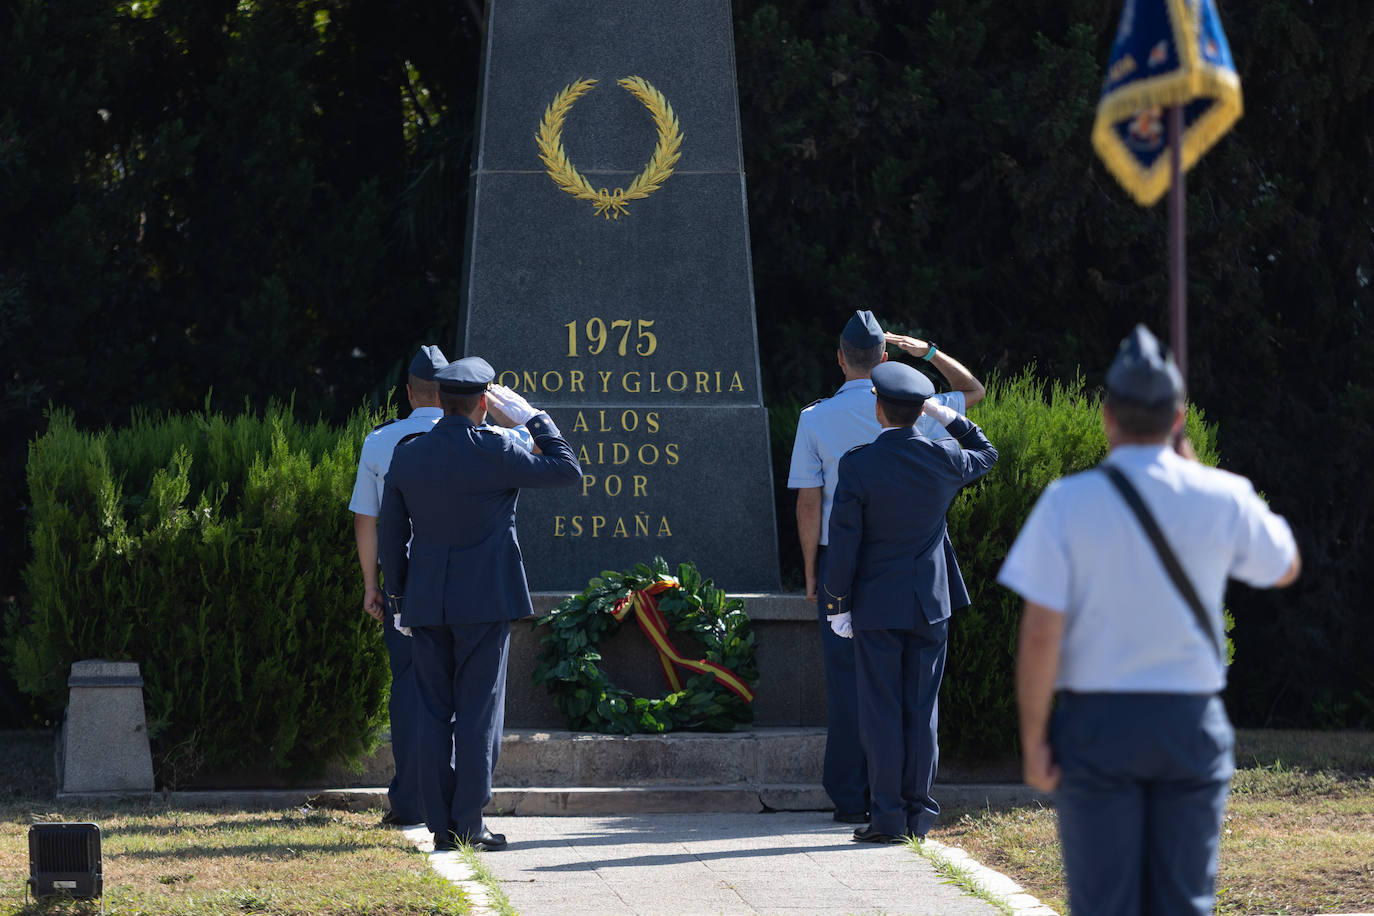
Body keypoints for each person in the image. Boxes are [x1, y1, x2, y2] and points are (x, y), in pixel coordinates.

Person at [998, 325, 1301, 915]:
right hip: (1189, 723)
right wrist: (1198, 471)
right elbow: (1285, 565)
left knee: (1104, 905)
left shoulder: (1067, 500)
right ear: (1178, 418)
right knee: (1184, 903)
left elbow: (1039, 634)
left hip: (1098, 726)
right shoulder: (1223, 494)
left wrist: (1034, 742)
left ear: (1107, 416)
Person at [787, 309, 985, 823]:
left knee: (853, 689)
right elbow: (974, 393)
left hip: (847, 564)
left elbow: (810, 501)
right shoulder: (924, 409)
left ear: (840, 358)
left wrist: (813, 572)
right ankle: (911, 806)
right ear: (883, 356)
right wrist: (929, 353)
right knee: (917, 701)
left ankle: (857, 798)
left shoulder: (815, 419)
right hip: (921, 573)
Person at [378, 358, 581, 851]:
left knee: (432, 712)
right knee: (477, 710)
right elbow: (567, 470)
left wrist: (399, 599)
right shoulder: (497, 449)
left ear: (442, 401)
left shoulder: (409, 453)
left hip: (427, 601)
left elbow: (391, 535)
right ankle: (468, 822)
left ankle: (439, 825)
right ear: (484, 404)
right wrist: (535, 418)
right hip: (486, 600)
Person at [822, 360, 998, 842]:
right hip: (929, 604)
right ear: (921, 410)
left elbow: (844, 544)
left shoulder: (858, 465)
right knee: (921, 710)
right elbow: (986, 452)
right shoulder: (945, 458)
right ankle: (918, 817)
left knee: (881, 711)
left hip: (876, 605)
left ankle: (887, 818)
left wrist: (837, 605)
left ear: (878, 408)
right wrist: (948, 416)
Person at [349, 344, 450, 826]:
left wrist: (372, 585)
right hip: (460, 582)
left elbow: (365, 521)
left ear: (409, 393)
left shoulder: (381, 441)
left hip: (404, 583)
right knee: (459, 689)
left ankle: (409, 801)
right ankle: (453, 801)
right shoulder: (479, 438)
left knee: (409, 687)